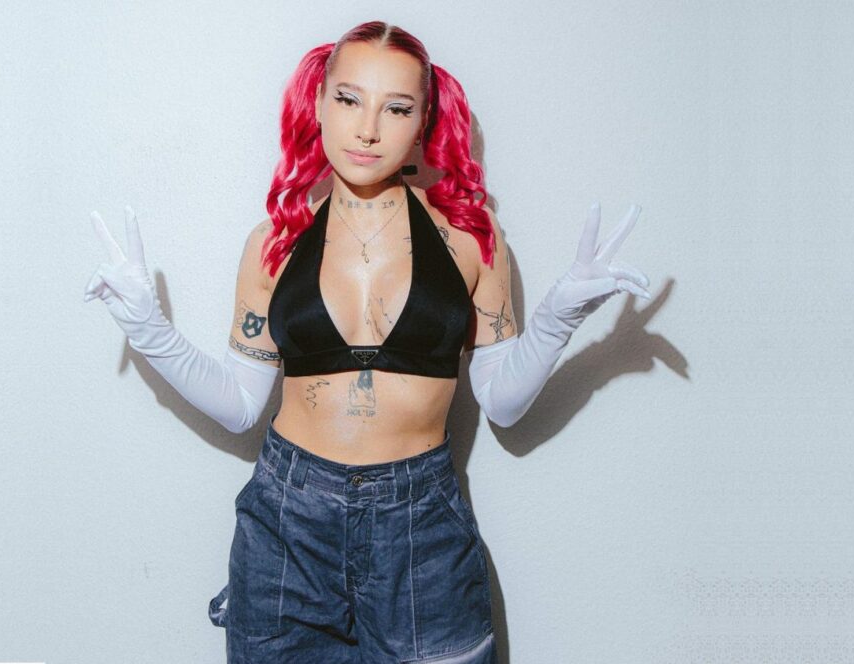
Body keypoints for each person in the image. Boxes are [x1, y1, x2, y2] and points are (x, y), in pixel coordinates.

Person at [84, 19, 651, 664]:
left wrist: (558, 317)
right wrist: (149, 332)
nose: (368, 129)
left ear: (424, 121)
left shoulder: (469, 236)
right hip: (287, 521)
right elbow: (241, 405)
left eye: (397, 108)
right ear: (319, 103)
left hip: (422, 526)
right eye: (350, 99)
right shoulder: (275, 241)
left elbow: (502, 405)